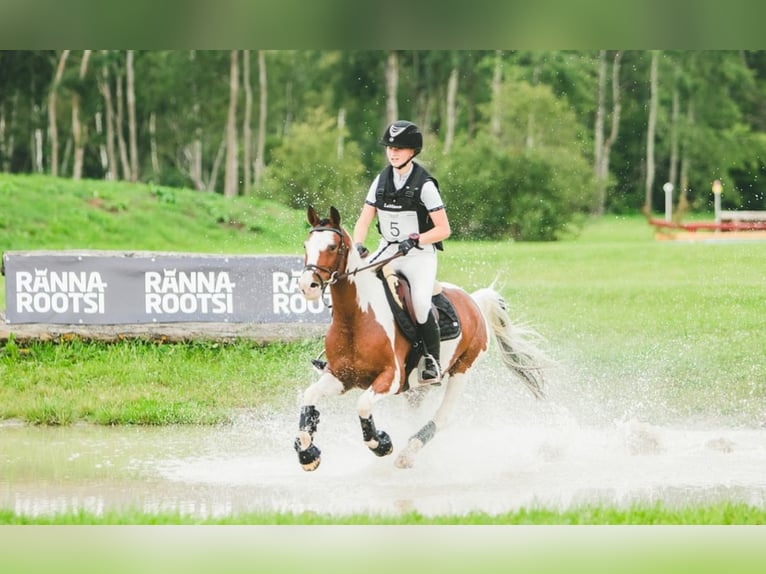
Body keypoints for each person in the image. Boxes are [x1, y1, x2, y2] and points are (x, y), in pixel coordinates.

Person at [353, 120, 451, 384]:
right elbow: (364, 220)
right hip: (387, 249)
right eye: (390, 148)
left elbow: (444, 229)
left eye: (400, 148)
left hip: (418, 255)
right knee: (354, 283)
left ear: (413, 151)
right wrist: (358, 244)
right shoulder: (381, 180)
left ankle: (432, 361)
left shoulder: (425, 185)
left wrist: (417, 238)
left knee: (420, 305)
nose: (393, 153)